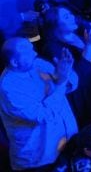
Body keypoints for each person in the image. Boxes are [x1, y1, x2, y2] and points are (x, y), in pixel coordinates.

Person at [0, 38, 79, 171]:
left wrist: (65, 72)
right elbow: (43, 115)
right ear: (14, 62)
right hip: (40, 160)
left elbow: (71, 84)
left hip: (67, 142)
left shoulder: (38, 63)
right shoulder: (8, 88)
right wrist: (61, 81)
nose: (35, 53)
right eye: (28, 51)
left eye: (32, 48)